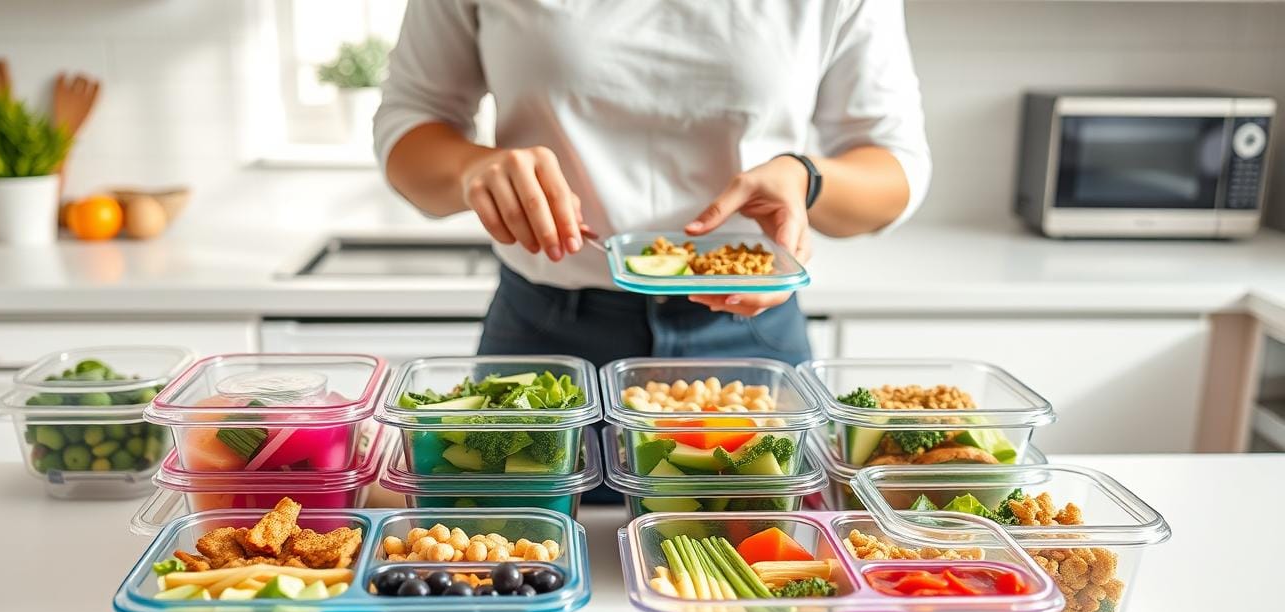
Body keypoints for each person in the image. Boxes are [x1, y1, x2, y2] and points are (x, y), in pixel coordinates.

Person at [374, 1, 930, 368]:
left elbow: (896, 169)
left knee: (760, 546)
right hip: (543, 331)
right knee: (512, 548)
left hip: (748, 335)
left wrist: (807, 179)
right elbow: (408, 125)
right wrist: (473, 168)